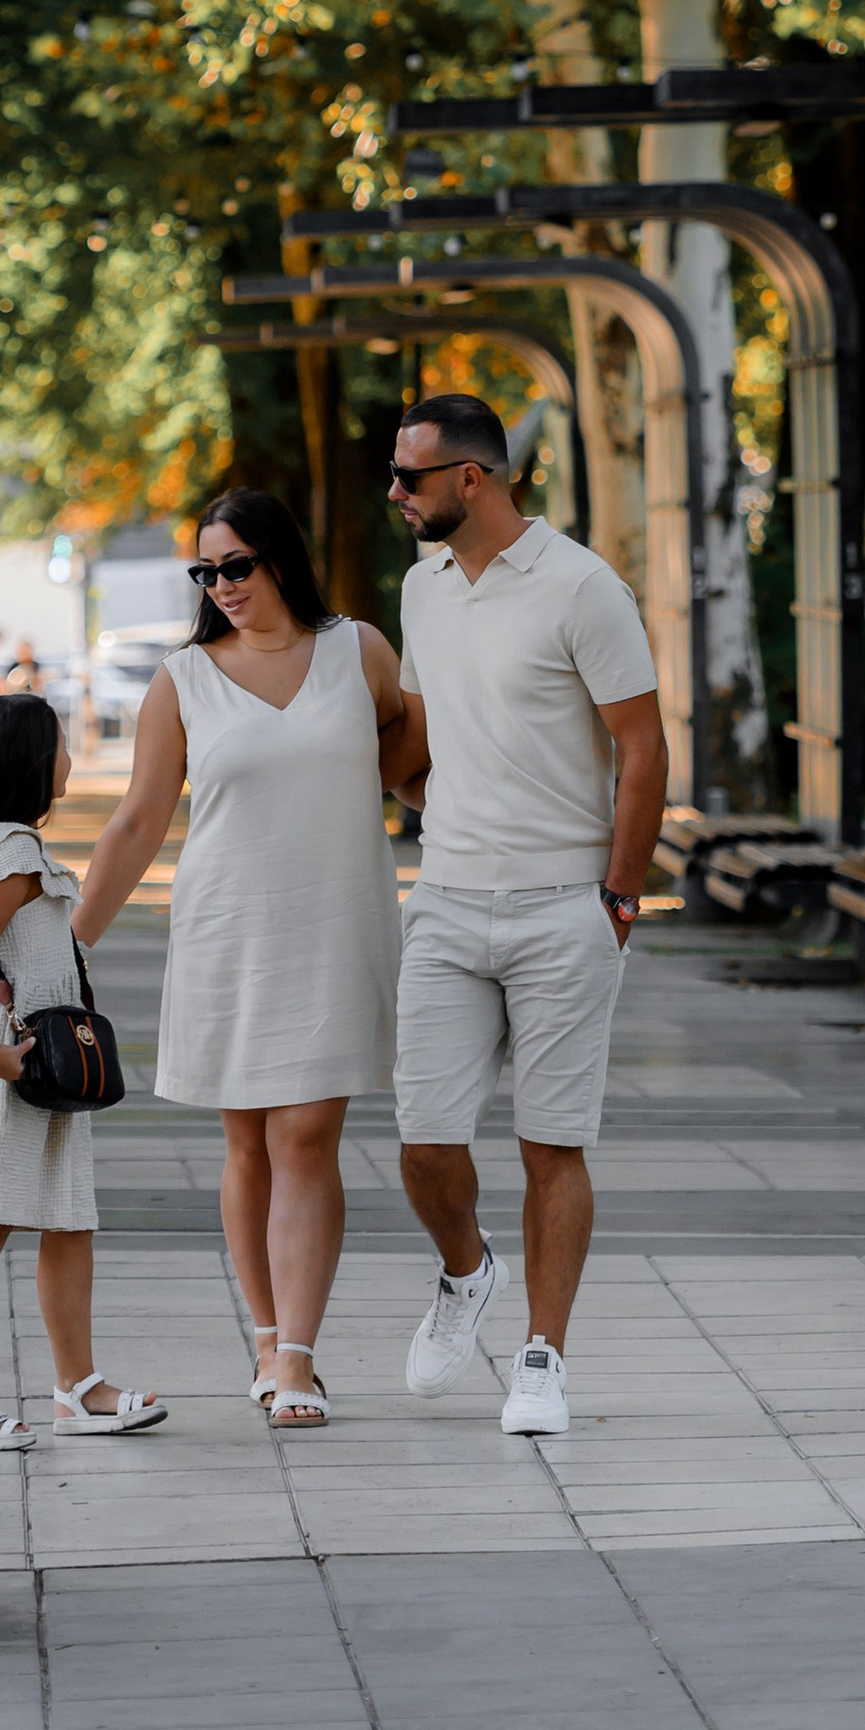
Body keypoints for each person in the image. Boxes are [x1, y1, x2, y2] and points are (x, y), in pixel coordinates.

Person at [75, 489, 408, 1428]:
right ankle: (266, 1335)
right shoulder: (183, 678)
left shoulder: (360, 650)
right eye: (205, 572)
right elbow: (140, 819)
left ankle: (297, 1355)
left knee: (306, 1134)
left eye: (236, 567)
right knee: (248, 1141)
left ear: (280, 561)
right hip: (229, 927)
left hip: (338, 923)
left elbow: (412, 749)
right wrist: (69, 945)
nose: (220, 586)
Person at [388, 392, 668, 1439]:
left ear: (474, 477)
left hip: (564, 904)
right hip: (448, 897)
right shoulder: (422, 589)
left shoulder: (581, 586)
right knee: (423, 1139)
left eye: (410, 476)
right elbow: (418, 737)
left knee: (551, 1144)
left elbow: (643, 748)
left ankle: (542, 1357)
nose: (395, 493)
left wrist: (619, 894)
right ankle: (466, 1272)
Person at [0, 689, 165, 1443]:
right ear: (29, 756)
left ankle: (77, 1386)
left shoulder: (18, 847)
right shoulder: (13, 851)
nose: (69, 753)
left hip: (40, 1064)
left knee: (68, 1223)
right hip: (9, 1062)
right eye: (59, 739)